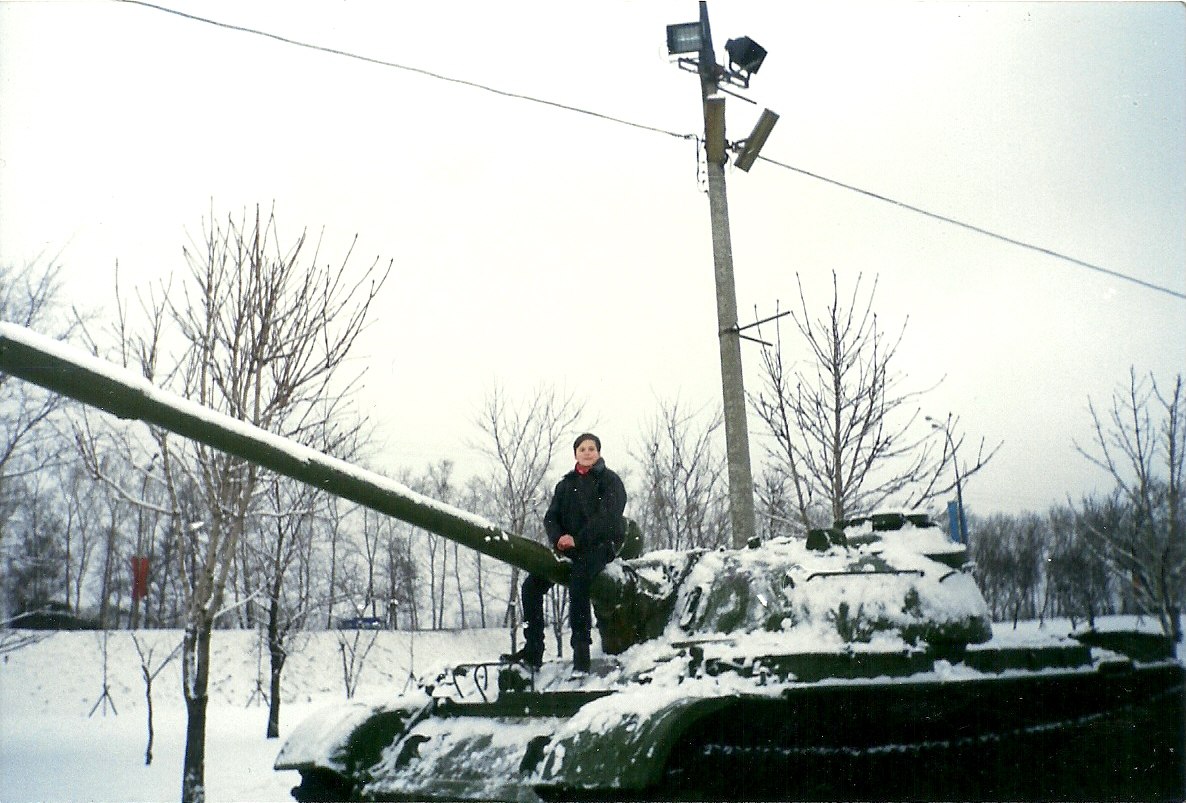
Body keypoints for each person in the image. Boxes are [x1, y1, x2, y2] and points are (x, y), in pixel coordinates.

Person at [510, 433, 627, 672]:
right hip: (569, 548)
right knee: (531, 586)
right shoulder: (565, 485)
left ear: (598, 452)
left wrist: (578, 539)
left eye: (591, 448)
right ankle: (533, 652)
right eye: (582, 449)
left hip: (600, 546)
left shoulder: (610, 481)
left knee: (579, 580)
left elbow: (607, 517)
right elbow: (551, 517)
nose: (587, 453)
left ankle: (581, 654)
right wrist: (558, 539)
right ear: (575, 454)